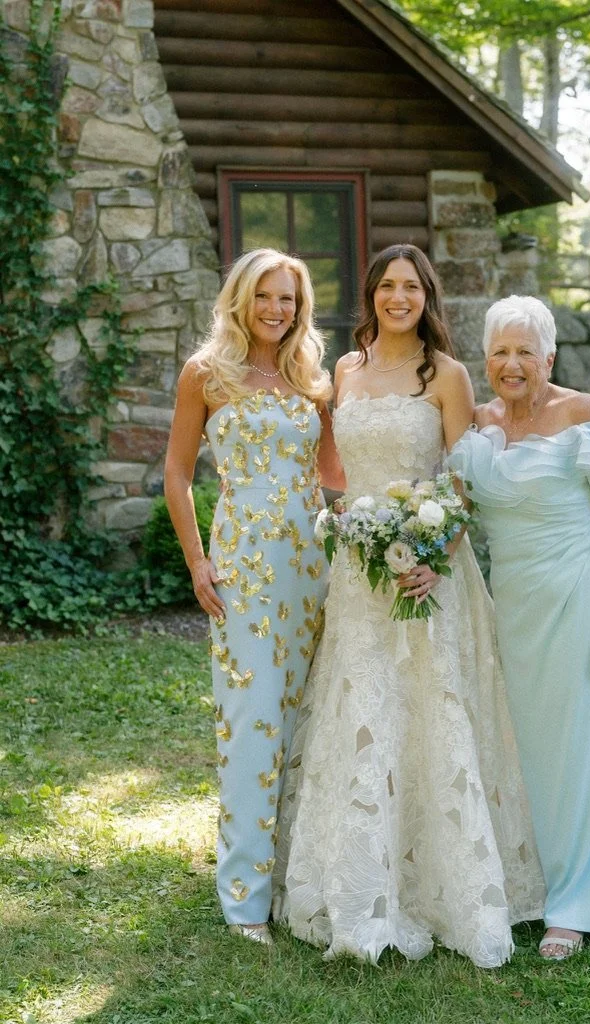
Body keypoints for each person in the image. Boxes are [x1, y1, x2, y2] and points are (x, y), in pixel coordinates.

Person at [272, 245, 545, 968]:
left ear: (428, 296)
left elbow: (462, 484)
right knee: (360, 714)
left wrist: (428, 555)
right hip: (358, 576)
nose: (399, 297)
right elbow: (337, 471)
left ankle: (439, 888)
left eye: (411, 287)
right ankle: (358, 883)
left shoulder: (448, 376)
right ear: (371, 295)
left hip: (428, 575)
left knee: (429, 715)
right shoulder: (345, 370)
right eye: (387, 286)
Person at [449, 295, 590, 961]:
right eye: (499, 352)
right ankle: (530, 885)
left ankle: (576, 904)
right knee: (523, 748)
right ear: (485, 359)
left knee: (577, 749)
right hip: (511, 607)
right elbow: (453, 516)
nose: (511, 365)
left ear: (549, 357)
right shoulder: (477, 425)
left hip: (578, 597)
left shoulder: (581, 416)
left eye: (524, 352)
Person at [164, 248, 344, 945]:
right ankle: (244, 898)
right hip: (241, 567)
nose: (278, 310)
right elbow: (177, 476)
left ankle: (298, 879)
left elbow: (333, 472)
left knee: (304, 718)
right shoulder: (206, 374)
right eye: (266, 297)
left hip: (310, 566)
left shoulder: (311, 379)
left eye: (290, 300)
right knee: (252, 721)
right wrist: (197, 562)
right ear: (241, 299)